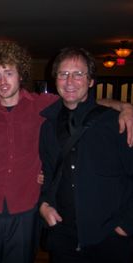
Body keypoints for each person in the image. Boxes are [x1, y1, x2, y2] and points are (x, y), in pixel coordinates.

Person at [0, 42, 133, 263]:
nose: (2, 81)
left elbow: (81, 99)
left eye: (8, 73)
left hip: (25, 208)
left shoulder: (43, 105)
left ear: (21, 75)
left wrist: (125, 107)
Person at [38, 47, 133, 263]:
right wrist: (43, 205)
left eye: (78, 74)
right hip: (63, 236)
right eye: (63, 74)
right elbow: (48, 173)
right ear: (55, 80)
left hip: (109, 238)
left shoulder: (116, 122)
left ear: (91, 81)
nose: (69, 81)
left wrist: (126, 224)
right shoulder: (47, 126)